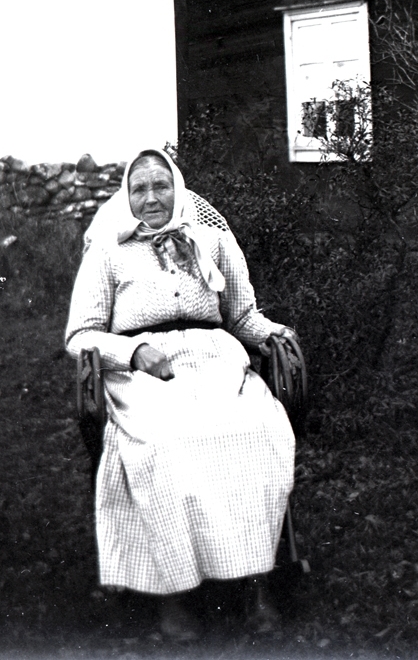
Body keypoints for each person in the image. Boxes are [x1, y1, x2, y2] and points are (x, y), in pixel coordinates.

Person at [65, 147, 297, 641]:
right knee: (164, 443)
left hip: (216, 363)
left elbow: (242, 317)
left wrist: (275, 334)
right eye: (140, 189)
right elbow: (81, 335)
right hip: (142, 374)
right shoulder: (108, 252)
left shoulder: (212, 242)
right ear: (127, 197)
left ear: (178, 189)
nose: (151, 198)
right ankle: (174, 594)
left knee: (255, 430)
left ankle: (256, 582)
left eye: (161, 186)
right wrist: (133, 352)